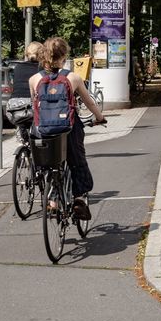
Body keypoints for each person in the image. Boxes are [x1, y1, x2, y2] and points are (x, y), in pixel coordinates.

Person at [30, 37, 106, 220]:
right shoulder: (73, 78)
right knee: (77, 161)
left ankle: (53, 201)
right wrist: (100, 118)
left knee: (50, 165)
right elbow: (89, 102)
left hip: (44, 130)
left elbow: (35, 105)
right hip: (69, 129)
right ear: (64, 55)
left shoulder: (34, 79)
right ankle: (79, 199)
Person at [6, 41, 44, 136]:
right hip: (31, 105)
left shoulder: (18, 67)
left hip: (13, 106)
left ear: (26, 54)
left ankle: (22, 139)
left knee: (21, 122)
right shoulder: (42, 68)